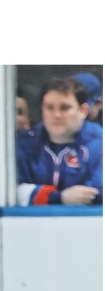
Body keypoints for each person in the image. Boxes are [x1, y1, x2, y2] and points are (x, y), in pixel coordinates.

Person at [16, 77, 102, 206]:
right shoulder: (24, 143)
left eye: (64, 108)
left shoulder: (99, 142)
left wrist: (36, 194)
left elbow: (98, 190)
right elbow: (5, 191)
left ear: (83, 111)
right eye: (49, 108)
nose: (56, 115)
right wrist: (59, 197)